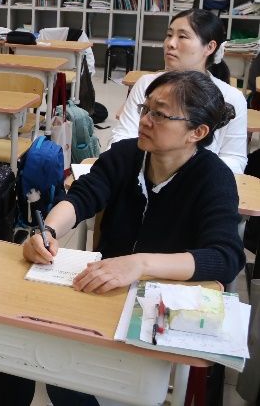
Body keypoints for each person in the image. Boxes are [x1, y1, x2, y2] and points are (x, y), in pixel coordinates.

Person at [23, 70, 245, 406]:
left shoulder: (214, 178)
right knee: (63, 379)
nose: (145, 120)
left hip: (162, 311)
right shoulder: (126, 155)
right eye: (145, 109)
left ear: (197, 132)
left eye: (160, 114)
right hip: (104, 296)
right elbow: (82, 197)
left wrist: (140, 265)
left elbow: (225, 256)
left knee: (128, 386)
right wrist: (48, 232)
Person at [111, 8, 247, 174]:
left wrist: (183, 173)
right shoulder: (147, 84)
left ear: (210, 47)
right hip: (142, 176)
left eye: (182, 36)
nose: (170, 43)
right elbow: (120, 139)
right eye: (169, 35)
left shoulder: (232, 97)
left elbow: (235, 161)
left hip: (199, 184)